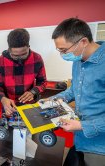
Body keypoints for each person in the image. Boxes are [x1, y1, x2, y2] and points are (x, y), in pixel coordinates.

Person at [51, 18, 105, 166]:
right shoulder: (78, 60)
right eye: (59, 50)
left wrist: (81, 126)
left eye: (64, 50)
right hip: (81, 140)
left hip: (100, 147)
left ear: (83, 42)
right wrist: (56, 99)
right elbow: (75, 89)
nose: (62, 55)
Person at [0, 28, 47, 116]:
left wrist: (33, 92)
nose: (20, 59)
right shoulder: (1, 61)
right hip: (9, 105)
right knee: (9, 128)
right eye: (15, 55)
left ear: (28, 47)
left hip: (30, 105)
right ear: (9, 49)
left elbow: (43, 82)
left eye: (23, 54)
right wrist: (3, 99)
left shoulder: (37, 58)